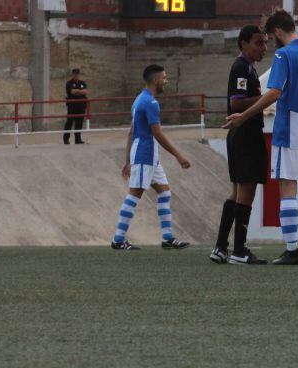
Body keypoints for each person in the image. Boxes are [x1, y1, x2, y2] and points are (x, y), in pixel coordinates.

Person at [223, 10, 298, 266]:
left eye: (270, 37)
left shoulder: (284, 55)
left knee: (288, 187)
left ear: (277, 32)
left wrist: (242, 117)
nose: (270, 43)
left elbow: (274, 92)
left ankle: (291, 250)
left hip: (290, 129)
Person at [112, 64, 192, 251]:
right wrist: (179, 156)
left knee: (164, 192)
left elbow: (131, 132)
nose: (166, 81)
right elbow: (157, 133)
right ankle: (118, 239)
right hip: (145, 153)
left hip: (147, 155)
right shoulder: (150, 103)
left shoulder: (139, 100)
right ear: (156, 80)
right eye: (164, 78)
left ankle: (168, 238)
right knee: (135, 193)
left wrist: (127, 160)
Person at [211, 26, 269, 266]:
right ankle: (239, 249)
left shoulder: (248, 68)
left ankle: (221, 247)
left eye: (265, 43)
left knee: (236, 193)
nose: (263, 48)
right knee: (247, 191)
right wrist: (267, 98)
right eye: (258, 43)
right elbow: (236, 104)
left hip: (239, 134)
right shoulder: (241, 67)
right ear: (243, 43)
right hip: (245, 134)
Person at [63, 68, 88, 145]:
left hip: (81, 106)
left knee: (79, 123)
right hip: (72, 106)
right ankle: (66, 139)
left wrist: (77, 91)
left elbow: (85, 91)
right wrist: (80, 91)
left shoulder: (82, 83)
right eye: (75, 74)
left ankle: (78, 139)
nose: (76, 75)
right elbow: (72, 92)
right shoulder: (69, 83)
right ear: (72, 74)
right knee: (69, 122)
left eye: (77, 74)